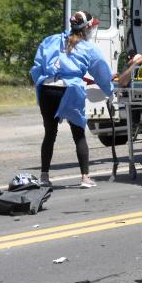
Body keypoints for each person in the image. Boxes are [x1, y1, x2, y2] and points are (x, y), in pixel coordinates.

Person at [30, 11, 113, 188]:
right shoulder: (88, 48)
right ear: (88, 27)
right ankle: (85, 177)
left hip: (47, 90)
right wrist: (110, 90)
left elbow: (36, 68)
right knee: (78, 134)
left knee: (50, 134)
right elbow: (101, 73)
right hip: (70, 90)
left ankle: (44, 176)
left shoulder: (50, 40)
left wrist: (43, 82)